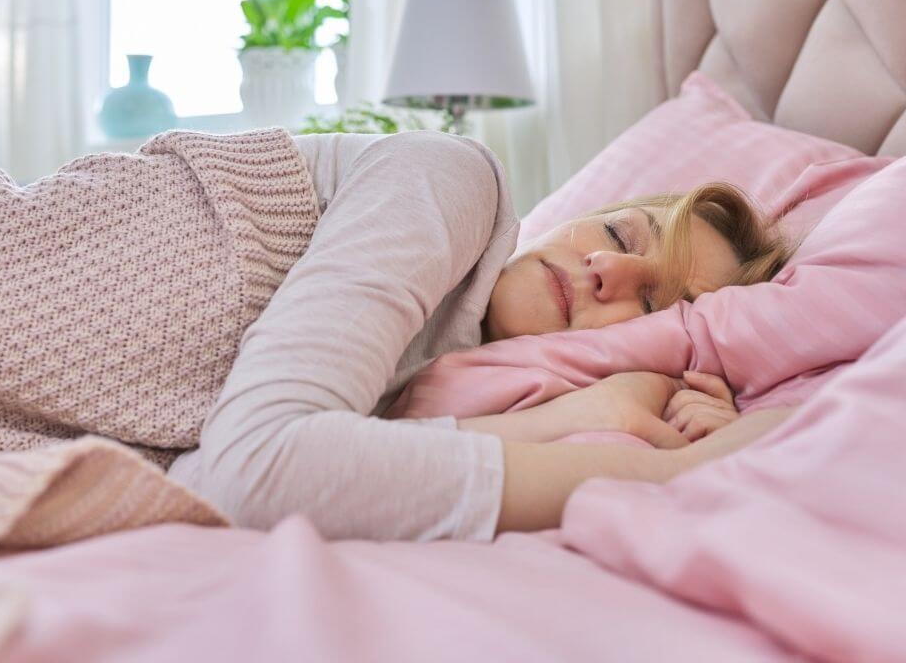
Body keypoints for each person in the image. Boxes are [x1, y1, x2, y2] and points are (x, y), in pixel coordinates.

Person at [169, 130, 797, 541]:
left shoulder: (449, 370)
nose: (608, 271)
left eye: (653, 304)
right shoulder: (450, 179)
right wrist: (678, 470)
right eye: (618, 235)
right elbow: (256, 471)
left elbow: (321, 463)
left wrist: (587, 413)